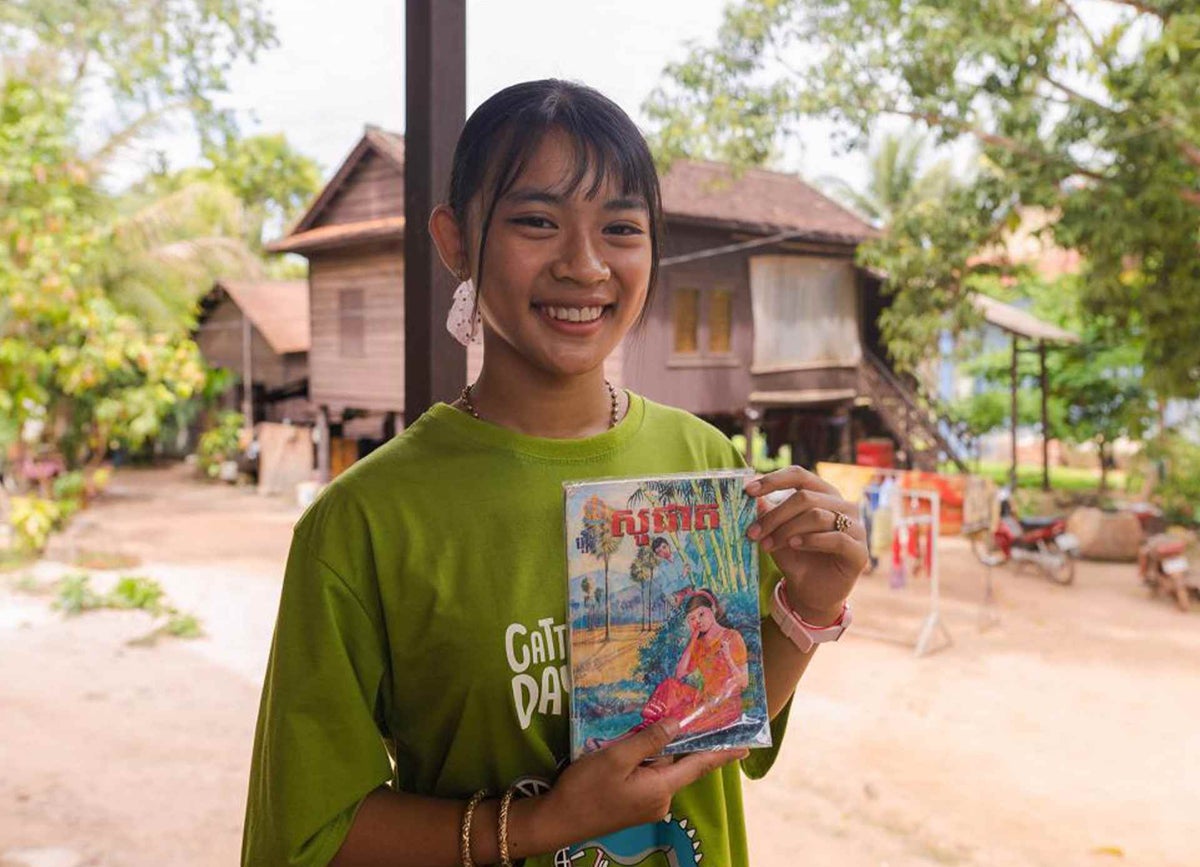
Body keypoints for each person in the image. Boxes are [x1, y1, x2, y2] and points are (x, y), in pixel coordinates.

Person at [242, 79, 869, 867]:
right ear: (454, 240)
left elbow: (722, 732)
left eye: (621, 228)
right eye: (537, 222)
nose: (584, 265)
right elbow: (307, 836)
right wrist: (538, 826)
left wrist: (810, 604)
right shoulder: (364, 521)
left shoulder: (702, 460)